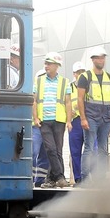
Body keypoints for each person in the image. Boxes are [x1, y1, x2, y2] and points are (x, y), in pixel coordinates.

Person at [33, 52, 73, 188]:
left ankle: (50, 180)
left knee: (58, 150)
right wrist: (36, 117)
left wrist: (68, 121)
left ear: (57, 66)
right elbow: (34, 100)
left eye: (49, 63)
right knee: (50, 149)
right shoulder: (39, 81)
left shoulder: (64, 82)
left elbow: (68, 103)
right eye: (45, 63)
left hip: (59, 121)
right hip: (44, 120)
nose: (46, 66)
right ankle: (60, 177)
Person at [76, 46, 110, 180]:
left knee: (103, 149)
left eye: (103, 57)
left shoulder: (109, 77)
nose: (101, 60)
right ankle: (85, 178)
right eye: (98, 58)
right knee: (89, 148)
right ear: (93, 60)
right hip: (91, 116)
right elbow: (80, 99)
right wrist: (83, 118)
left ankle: (101, 178)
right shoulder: (85, 77)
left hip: (106, 117)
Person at [69, 61, 87, 183]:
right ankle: (78, 178)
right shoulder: (68, 87)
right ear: (74, 74)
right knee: (75, 151)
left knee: (91, 149)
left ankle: (90, 177)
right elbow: (64, 102)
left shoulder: (89, 85)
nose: (80, 75)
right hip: (74, 121)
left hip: (87, 120)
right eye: (78, 72)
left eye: (82, 72)